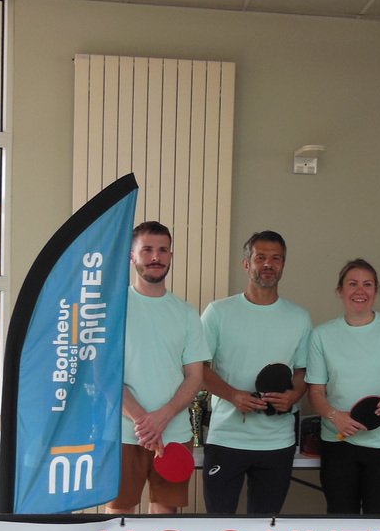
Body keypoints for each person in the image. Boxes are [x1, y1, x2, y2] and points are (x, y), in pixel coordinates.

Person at [200, 231, 312, 514]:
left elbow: (302, 371)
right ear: (246, 264)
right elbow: (198, 368)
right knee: (218, 527)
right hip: (226, 439)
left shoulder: (299, 317)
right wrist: (233, 395)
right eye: (260, 257)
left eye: (276, 258)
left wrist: (294, 395)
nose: (268, 264)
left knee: (265, 529)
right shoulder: (218, 312)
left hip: (277, 443)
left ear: (283, 265)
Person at [306, 259, 380, 514]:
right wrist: (335, 416)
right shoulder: (321, 335)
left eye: (367, 284)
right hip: (338, 444)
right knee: (340, 522)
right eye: (353, 284)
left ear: (375, 290)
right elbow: (315, 393)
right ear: (340, 291)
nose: (360, 291)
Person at [106, 221, 209, 515]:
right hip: (124, 434)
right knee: (118, 522)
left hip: (174, 435)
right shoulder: (112, 308)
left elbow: (195, 377)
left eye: (163, 250)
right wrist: (145, 422)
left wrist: (162, 417)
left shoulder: (187, 313)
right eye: (147, 249)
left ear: (171, 256)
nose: (156, 257)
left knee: (164, 527)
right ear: (132, 256)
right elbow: (103, 375)